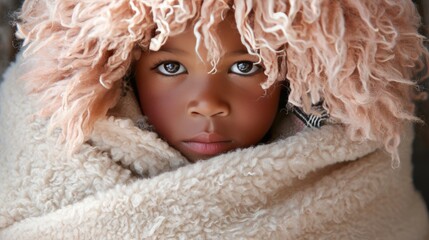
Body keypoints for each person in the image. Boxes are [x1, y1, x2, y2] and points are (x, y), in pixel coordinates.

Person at [0, 0, 428, 239]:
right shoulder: (52, 145)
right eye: (170, 68)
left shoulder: (358, 164)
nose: (207, 103)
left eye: (245, 67)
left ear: (292, 75)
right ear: (124, 74)